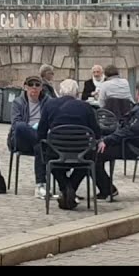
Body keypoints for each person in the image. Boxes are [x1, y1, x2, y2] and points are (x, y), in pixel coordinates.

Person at [93, 80, 139, 200]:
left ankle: (107, 189)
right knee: (96, 151)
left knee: (93, 155)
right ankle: (107, 188)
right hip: (128, 143)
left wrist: (108, 140)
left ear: (137, 92)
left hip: (130, 147)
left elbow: (130, 130)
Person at [39, 78, 100, 210]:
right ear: (77, 93)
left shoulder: (49, 105)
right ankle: (71, 187)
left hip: (57, 151)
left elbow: (41, 132)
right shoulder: (86, 107)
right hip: (81, 152)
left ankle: (66, 187)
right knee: (88, 160)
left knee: (50, 159)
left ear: (60, 92)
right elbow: (96, 132)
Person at [9, 75, 53, 199]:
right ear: (26, 87)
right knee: (21, 126)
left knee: (39, 146)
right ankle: (41, 185)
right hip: (23, 138)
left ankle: (40, 185)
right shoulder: (18, 102)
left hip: (41, 139)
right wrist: (32, 128)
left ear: (41, 88)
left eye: (37, 85)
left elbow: (52, 120)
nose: (34, 88)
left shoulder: (48, 101)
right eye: (31, 85)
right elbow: (15, 124)